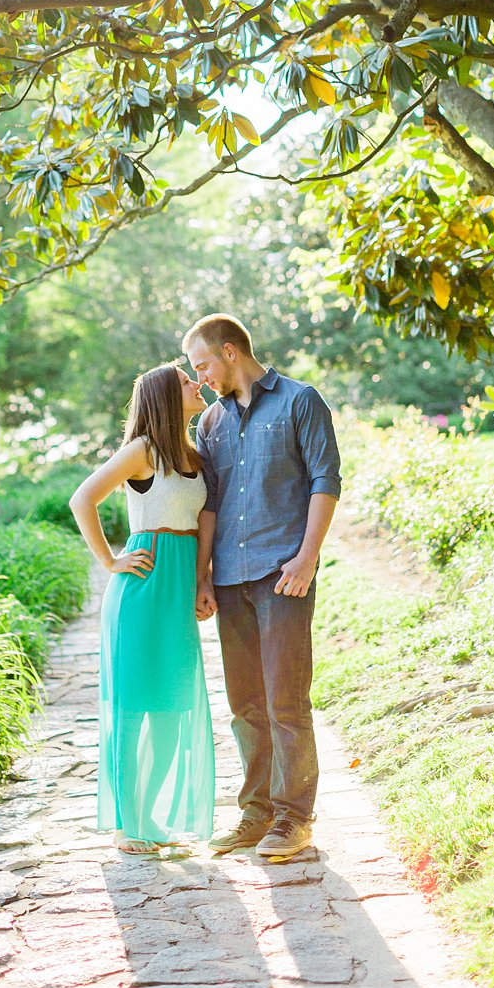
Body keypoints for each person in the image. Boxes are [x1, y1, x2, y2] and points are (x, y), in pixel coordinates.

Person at [182, 313, 342, 864]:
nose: (198, 377)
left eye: (201, 364)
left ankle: (295, 819)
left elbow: (326, 481)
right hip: (229, 580)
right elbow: (209, 504)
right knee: (245, 703)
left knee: (285, 700)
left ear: (230, 351)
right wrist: (202, 575)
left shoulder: (301, 401)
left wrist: (306, 556)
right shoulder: (209, 425)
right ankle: (257, 814)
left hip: (283, 577)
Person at [70, 363, 217, 856]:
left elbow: (203, 528)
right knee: (132, 711)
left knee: (173, 710)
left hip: (176, 595)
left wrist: (202, 582)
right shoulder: (142, 452)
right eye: (185, 381)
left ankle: (148, 816)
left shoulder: (197, 456)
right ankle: (126, 823)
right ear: (163, 396)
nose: (196, 384)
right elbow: (82, 499)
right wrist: (110, 559)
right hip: (139, 591)